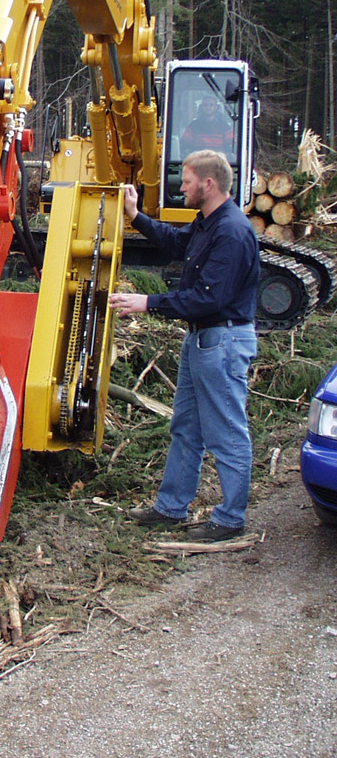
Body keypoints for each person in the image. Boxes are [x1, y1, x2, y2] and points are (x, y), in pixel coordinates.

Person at [108, 150, 260, 542]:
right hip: (202, 340)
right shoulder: (208, 222)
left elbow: (207, 297)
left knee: (225, 431)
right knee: (186, 427)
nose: (182, 187)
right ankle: (171, 507)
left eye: (187, 181)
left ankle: (229, 519)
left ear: (208, 185)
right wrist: (135, 215)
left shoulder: (232, 231)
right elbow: (177, 244)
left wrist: (148, 302)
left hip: (222, 341)